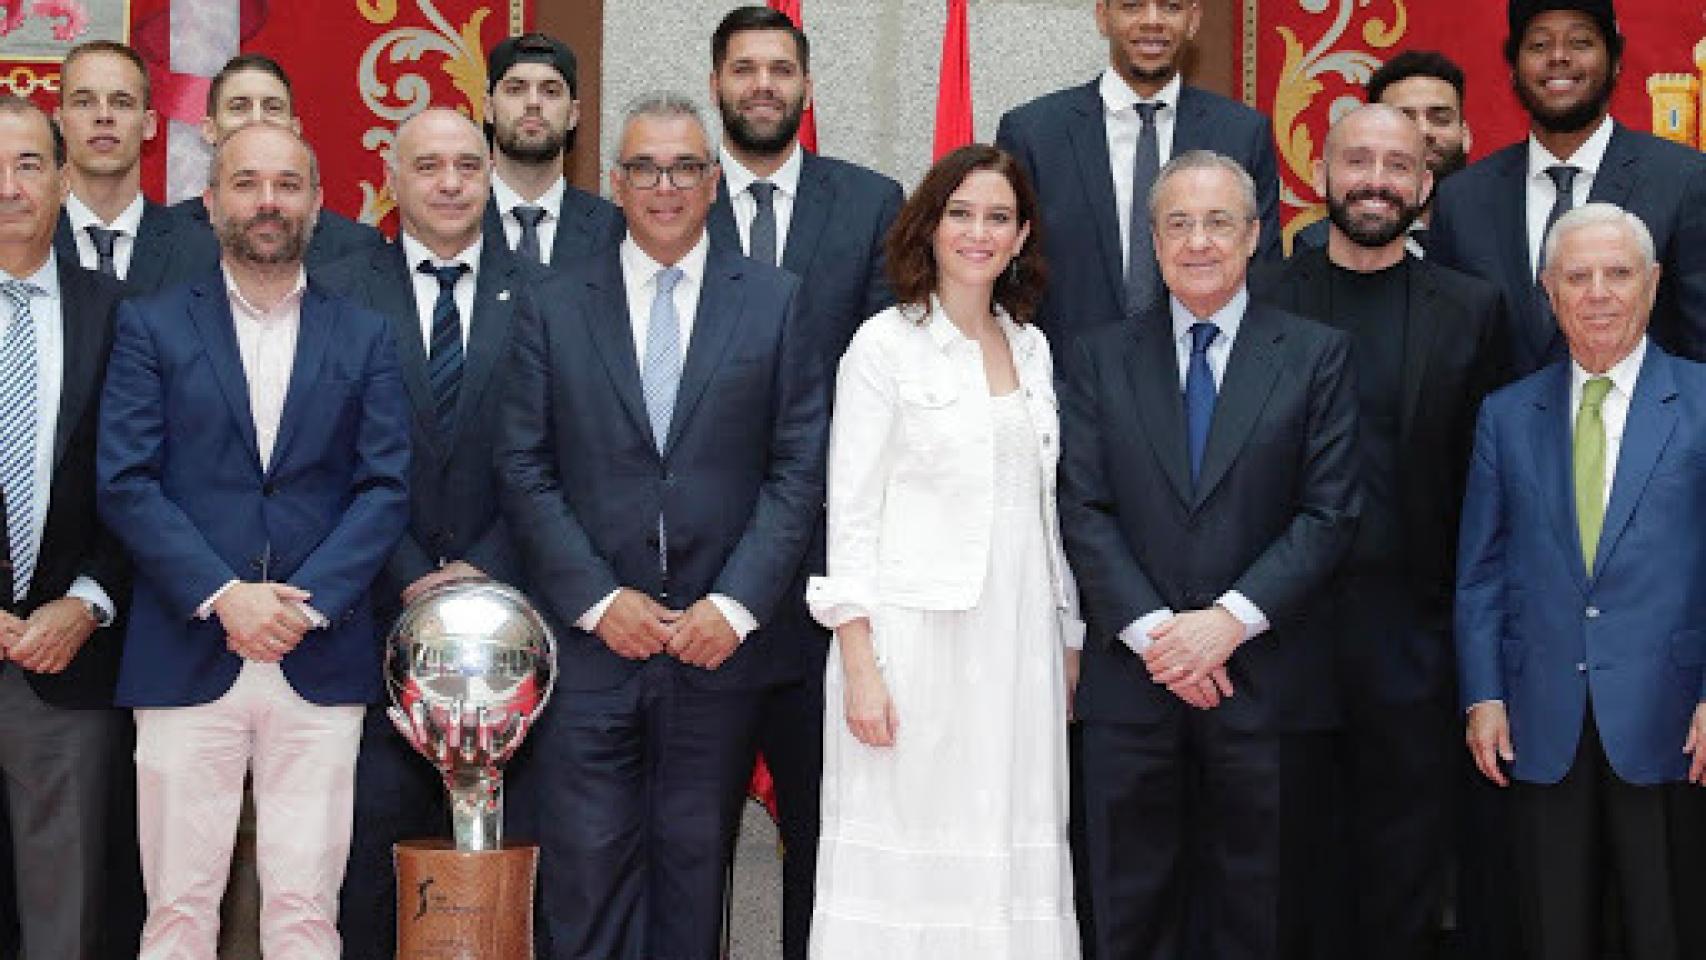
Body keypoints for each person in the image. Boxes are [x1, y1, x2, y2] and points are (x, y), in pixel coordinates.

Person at [496, 93, 826, 960]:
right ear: (614, 181)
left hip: (720, 650)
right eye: (644, 167)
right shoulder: (553, 303)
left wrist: (739, 605)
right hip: (596, 645)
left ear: (714, 181)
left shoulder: (779, 301)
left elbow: (799, 471)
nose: (665, 185)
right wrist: (600, 600)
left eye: (684, 167)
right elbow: (525, 468)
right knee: (586, 877)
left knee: (693, 876)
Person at [96, 121, 410, 958]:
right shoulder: (151, 326)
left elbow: (385, 487)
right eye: (246, 183)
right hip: (187, 644)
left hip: (319, 653)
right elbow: (126, 480)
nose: (267, 202)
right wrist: (225, 595)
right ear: (209, 202)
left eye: (286, 184)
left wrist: (303, 608)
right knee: (176, 912)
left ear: (316, 200)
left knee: (307, 912)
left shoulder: (366, 333)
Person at [1058, 150, 1359, 960]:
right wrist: (1163, 635)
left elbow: (1330, 513)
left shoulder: (1315, 354)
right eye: (1179, 223)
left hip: (1266, 687)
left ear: (1255, 234)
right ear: (1153, 242)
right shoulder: (1095, 357)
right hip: (1135, 690)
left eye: (1219, 221)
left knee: (1260, 919)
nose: (1198, 241)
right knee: (1129, 917)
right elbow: (1080, 507)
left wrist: (1225, 624)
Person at [805, 143, 1080, 959]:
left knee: (1009, 837)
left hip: (1020, 640)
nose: (978, 232)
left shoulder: (1032, 347)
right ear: (929, 227)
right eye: (960, 213)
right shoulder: (882, 347)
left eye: (998, 217)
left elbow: (1043, 503)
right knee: (908, 850)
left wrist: (1067, 635)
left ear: (1022, 234)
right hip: (909, 645)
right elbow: (848, 513)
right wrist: (859, 661)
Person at [1253, 104, 1508, 960]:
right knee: (1291, 876)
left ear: (1426, 183)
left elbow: (1490, 484)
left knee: (1402, 882)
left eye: (1397, 165)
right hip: (1280, 645)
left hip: (1414, 644)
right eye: (1356, 160)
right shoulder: (1263, 295)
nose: (1375, 180)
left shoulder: (1473, 311)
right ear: (1319, 171)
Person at [1456, 202, 1706, 960]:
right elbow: (1481, 569)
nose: (1598, 292)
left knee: (1667, 926)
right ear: (1549, 291)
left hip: (1673, 719)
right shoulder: (1506, 415)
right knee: (1553, 930)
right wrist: (1484, 693)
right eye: (1577, 276)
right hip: (1541, 716)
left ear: (1654, 285)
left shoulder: (1701, 400)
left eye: (1618, 273)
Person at [704, 9, 903, 957]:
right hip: (695, 582)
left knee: (827, 834)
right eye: (743, 69)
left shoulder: (871, 204)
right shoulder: (672, 200)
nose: (762, 85)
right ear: (716, 86)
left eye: (780, 68)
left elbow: (878, 386)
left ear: (806, 87)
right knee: (689, 837)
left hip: (824, 580)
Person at [318, 107, 529, 960]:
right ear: (392, 176)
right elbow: (323, 448)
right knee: (368, 856)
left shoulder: (549, 290)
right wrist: (408, 570)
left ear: (490, 176)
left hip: (508, 630)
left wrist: (488, 571)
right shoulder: (337, 286)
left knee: (498, 865)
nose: (449, 183)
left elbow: (560, 448)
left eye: (467, 166)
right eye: (429, 165)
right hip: (369, 615)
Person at [0, 94, 129, 960]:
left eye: (28, 164)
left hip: (66, 661)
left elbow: (149, 483)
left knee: (65, 922)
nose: (8, 187)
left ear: (62, 177)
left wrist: (86, 601)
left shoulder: (124, 314)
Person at [1430, 0, 1706, 376]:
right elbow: (1447, 361)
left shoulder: (1683, 179)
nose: (1558, 57)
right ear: (1513, 69)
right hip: (1500, 432)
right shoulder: (1462, 199)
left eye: (1580, 43)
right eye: (1539, 45)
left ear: (1616, 63)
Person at [996, 0, 1281, 347]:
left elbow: (1262, 274)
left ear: (1193, 20)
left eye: (1170, 8)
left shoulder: (1242, 133)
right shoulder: (1033, 134)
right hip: (1066, 382)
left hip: (1201, 380)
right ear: (1103, 17)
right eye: (1132, 6)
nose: (1152, 22)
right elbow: (1008, 274)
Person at [172, 53, 387, 271]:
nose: (257, 119)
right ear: (209, 130)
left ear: (295, 129)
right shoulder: (163, 241)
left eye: (272, 107)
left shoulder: (356, 248)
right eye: (239, 107)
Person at [52, 41, 204, 294]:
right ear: (60, 122)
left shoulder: (200, 250)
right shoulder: (24, 241)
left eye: (121, 102)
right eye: (84, 102)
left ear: (149, 125)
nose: (103, 116)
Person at [1292, 49, 1473, 255]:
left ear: (1465, 136)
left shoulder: (1501, 233)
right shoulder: (1319, 245)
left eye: (1440, 119)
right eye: (1404, 119)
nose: (1423, 131)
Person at [482, 33, 623, 265]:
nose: (533, 103)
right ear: (488, 108)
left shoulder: (614, 231)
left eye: (551, 91)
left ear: (573, 115)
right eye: (516, 89)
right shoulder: (456, 219)